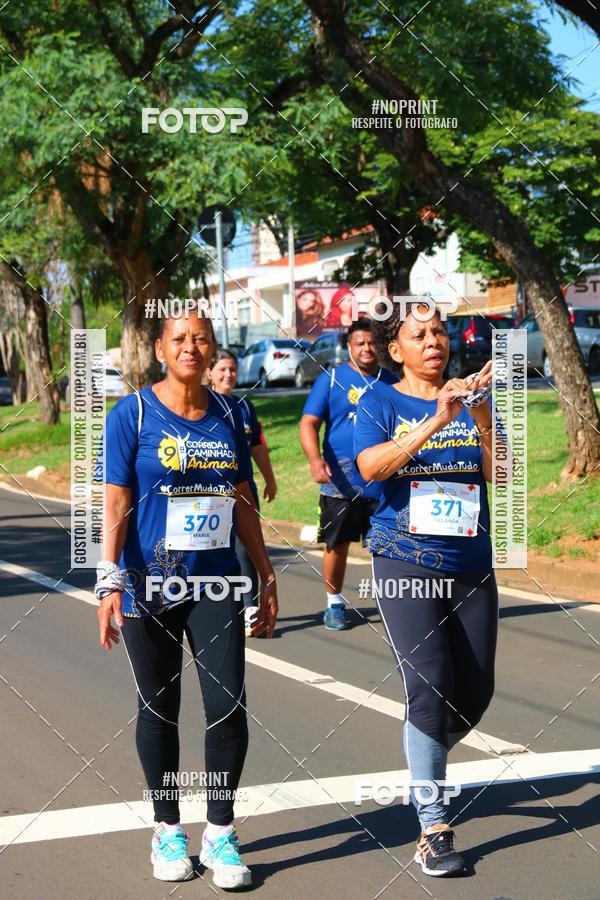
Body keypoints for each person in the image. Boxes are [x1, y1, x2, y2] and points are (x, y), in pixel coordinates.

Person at [96, 308, 277, 889]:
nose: (191, 347)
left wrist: (265, 571)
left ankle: (221, 832)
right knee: (160, 709)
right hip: (150, 581)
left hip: (216, 581)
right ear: (159, 348)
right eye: (179, 338)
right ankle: (167, 827)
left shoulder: (230, 411)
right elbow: (117, 499)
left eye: (201, 338)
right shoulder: (134, 414)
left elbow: (242, 496)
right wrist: (110, 580)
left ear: (213, 347)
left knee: (228, 706)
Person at [354, 303, 504, 877]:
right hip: (403, 560)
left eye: (439, 331)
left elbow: (504, 474)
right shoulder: (380, 401)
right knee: (430, 684)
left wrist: (482, 415)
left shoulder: (472, 399)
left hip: (469, 562)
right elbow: (371, 467)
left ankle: (423, 750)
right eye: (419, 335)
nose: (434, 341)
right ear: (396, 350)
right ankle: (433, 826)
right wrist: (438, 420)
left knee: (476, 691)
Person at [300, 318, 397, 630]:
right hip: (340, 484)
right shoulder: (331, 379)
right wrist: (315, 460)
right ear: (349, 347)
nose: (367, 349)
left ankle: (394, 603)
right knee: (336, 544)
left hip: (383, 483)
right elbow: (308, 423)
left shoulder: (392, 381)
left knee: (388, 547)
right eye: (360, 343)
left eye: (372, 343)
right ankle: (334, 603)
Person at [207, 347, 278, 636]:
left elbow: (257, 446)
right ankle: (216, 609)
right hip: (210, 494)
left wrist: (270, 480)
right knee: (218, 549)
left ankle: (249, 608)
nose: (228, 374)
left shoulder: (244, 407)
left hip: (243, 488)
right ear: (209, 373)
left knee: (247, 546)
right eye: (222, 369)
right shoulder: (202, 405)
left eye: (232, 369)